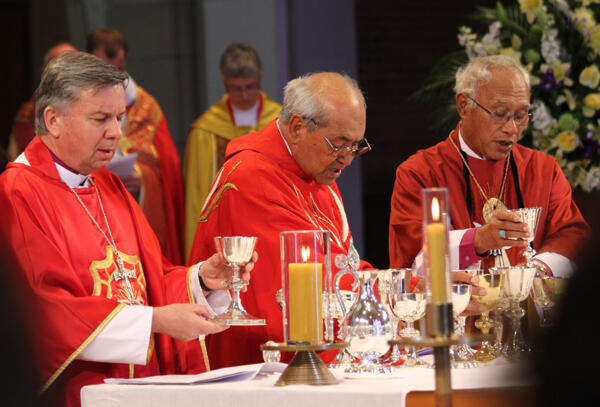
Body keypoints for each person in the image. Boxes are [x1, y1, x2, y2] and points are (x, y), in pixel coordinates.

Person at [0, 51, 256, 407]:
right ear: (53, 120)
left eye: (119, 117)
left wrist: (202, 279)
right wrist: (155, 321)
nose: (116, 133)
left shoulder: (108, 185)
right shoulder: (17, 193)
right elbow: (48, 313)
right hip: (78, 393)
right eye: (101, 118)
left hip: (140, 388)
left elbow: (150, 279)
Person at [389, 55, 590, 277]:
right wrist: (478, 240)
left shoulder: (543, 170)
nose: (512, 129)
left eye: (521, 116)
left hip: (528, 308)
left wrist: (536, 271)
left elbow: (571, 235)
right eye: (500, 114)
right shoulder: (420, 173)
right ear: (464, 105)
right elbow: (412, 260)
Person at [87, 28, 185, 264]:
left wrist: (143, 179)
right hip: (92, 206)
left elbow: (168, 168)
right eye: (104, 68)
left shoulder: (146, 107)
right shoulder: (79, 106)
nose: (113, 77)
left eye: (118, 69)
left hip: (134, 209)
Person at [184, 43, 281, 257]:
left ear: (261, 79)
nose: (245, 95)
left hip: (270, 227)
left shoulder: (279, 123)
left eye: (251, 86)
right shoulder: (206, 130)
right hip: (225, 236)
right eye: (237, 88)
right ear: (224, 82)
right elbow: (196, 199)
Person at [7, 41, 77, 160]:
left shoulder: (93, 105)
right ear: (44, 73)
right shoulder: (29, 113)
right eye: (63, 68)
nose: (70, 74)